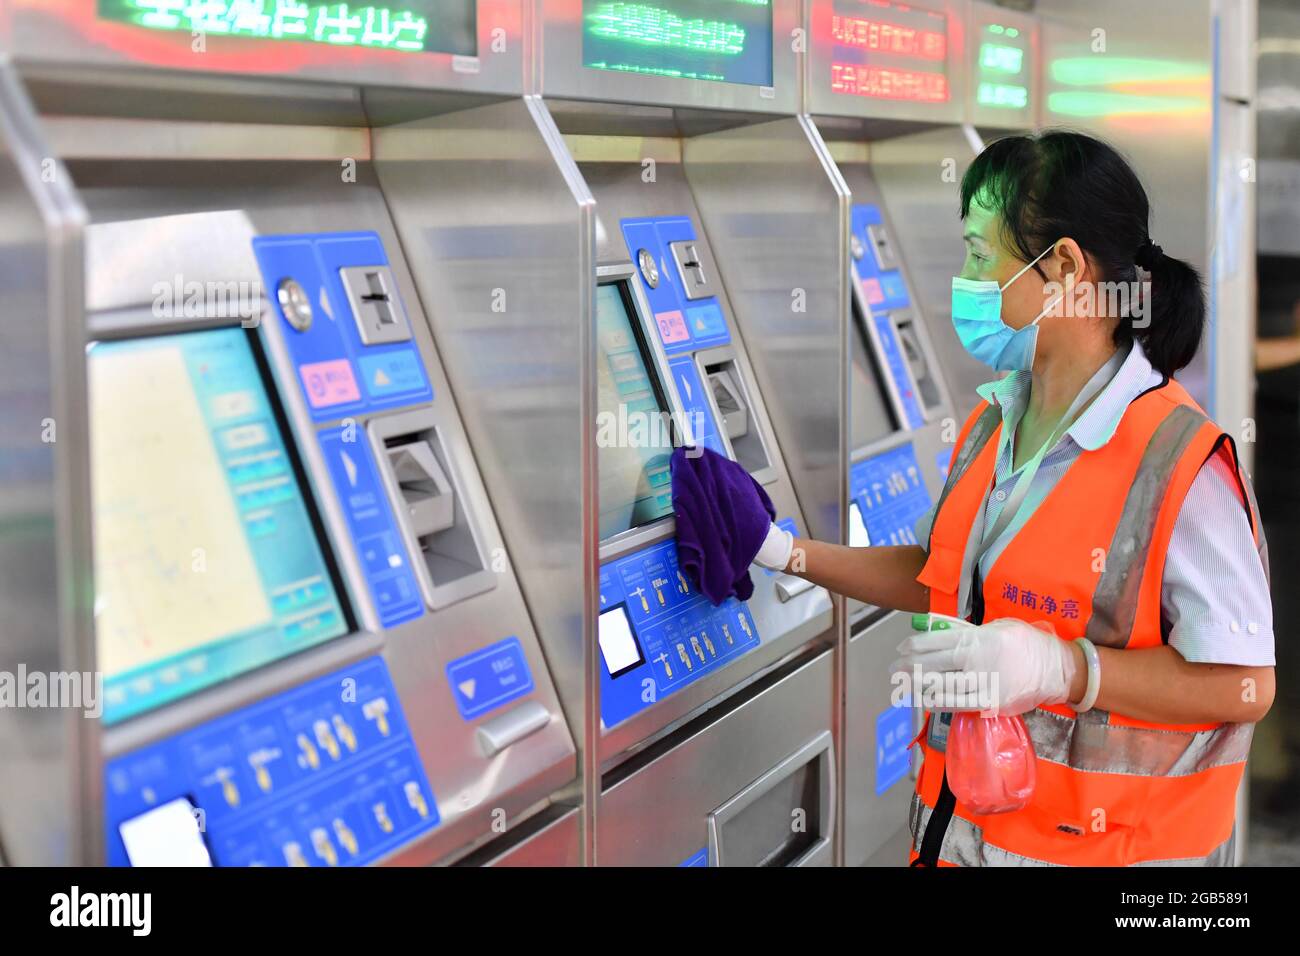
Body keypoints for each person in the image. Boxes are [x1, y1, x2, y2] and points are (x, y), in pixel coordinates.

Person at [750, 130, 1276, 866]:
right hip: (962, 838)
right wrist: (785, 552)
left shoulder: (1177, 461)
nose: (963, 280)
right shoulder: (998, 420)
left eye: (978, 254)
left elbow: (1246, 686)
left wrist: (1065, 669)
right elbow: (945, 574)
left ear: (1062, 266)